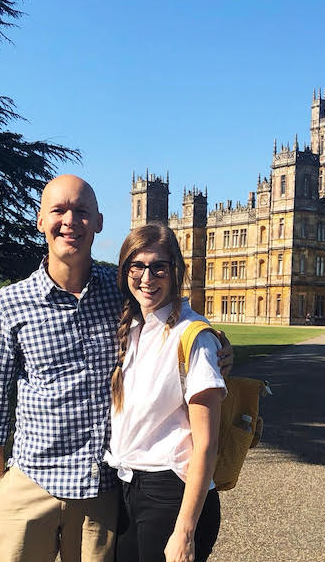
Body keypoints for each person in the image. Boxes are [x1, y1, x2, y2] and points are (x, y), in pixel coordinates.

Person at [0, 175, 232, 562]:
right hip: (31, 484)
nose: (70, 221)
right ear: (41, 220)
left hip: (102, 494)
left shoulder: (122, 293)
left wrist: (217, 345)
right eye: (58, 210)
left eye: (81, 211)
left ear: (98, 222)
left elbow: (177, 324)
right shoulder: (9, 303)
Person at [106, 224, 225, 562]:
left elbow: (206, 444)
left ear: (176, 271)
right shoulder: (130, 327)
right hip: (127, 488)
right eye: (137, 266)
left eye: (158, 267)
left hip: (171, 494)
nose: (147, 277)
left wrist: (184, 531)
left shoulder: (193, 336)